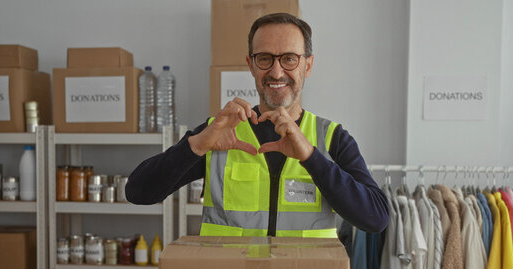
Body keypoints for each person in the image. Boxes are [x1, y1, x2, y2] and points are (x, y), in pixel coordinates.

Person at [127, 12, 389, 237]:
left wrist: (311, 157)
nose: (276, 72)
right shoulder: (219, 131)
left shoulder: (332, 138)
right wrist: (196, 144)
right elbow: (138, 192)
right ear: (251, 65)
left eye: (289, 59)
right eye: (265, 58)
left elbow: (376, 219)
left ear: (307, 65)